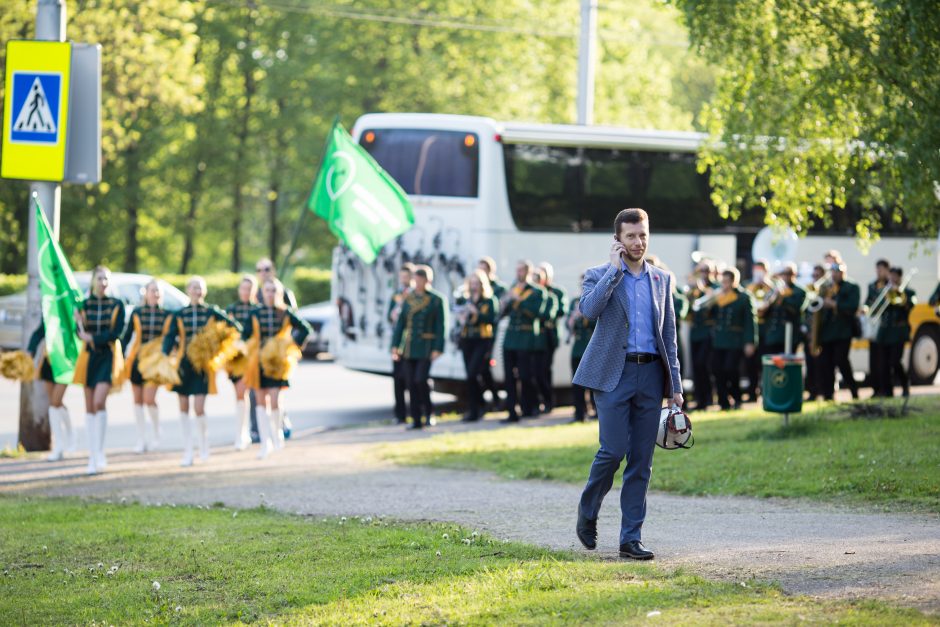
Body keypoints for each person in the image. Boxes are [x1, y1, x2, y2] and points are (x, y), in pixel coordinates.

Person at [574, 208, 683, 561]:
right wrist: (613, 271)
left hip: (651, 375)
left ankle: (630, 538)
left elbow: (669, 336)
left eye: (643, 235)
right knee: (613, 451)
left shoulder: (662, 280)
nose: (638, 242)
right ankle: (588, 510)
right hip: (612, 375)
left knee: (642, 460)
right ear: (617, 240)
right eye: (631, 236)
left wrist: (676, 385)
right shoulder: (598, 275)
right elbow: (589, 311)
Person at [162, 276, 241, 466]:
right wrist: (165, 353)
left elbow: (235, 327)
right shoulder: (179, 314)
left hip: (202, 367)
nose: (197, 291)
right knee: (183, 407)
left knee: (199, 407)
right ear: (188, 290)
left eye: (200, 288)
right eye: (193, 287)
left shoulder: (211, 312)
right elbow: (169, 337)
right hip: (183, 364)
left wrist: (216, 347)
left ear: (204, 291)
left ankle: (204, 446)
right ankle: (188, 450)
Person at [246, 277, 312, 458]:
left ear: (279, 293)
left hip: (277, 363)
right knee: (260, 401)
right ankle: (264, 441)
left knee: (275, 399)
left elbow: (305, 329)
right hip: (259, 362)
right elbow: (245, 334)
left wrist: (290, 344)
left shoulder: (285, 312)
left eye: (273, 290)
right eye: (267, 290)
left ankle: (277, 435)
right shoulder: (255, 313)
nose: (270, 294)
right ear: (262, 293)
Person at [74, 266, 126, 475]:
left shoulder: (117, 305)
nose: (103, 282)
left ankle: (100, 452)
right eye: (99, 278)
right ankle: (92, 455)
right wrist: (77, 322)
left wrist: (94, 338)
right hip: (88, 358)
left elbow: (116, 332)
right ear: (93, 281)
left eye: (106, 279)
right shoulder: (83, 305)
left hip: (107, 357)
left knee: (98, 402)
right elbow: (76, 331)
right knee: (88, 407)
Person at [391, 265, 447, 429]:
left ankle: (428, 413)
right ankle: (415, 419)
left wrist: (438, 347)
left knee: (421, 380)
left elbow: (441, 325)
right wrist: (395, 345)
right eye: (416, 279)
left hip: (426, 346)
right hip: (409, 346)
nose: (417, 282)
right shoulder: (408, 298)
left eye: (420, 279)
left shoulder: (436, 299)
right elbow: (401, 323)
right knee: (410, 382)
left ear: (427, 280)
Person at [249, 257, 297, 442]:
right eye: (260, 269)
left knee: (278, 391)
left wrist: (288, 345)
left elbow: (293, 319)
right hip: (259, 353)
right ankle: (257, 429)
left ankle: (281, 423)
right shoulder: (255, 295)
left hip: (279, 353)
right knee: (257, 392)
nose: (264, 272)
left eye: (267, 268)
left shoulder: (283, 292)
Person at [122, 279, 172, 453]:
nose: (155, 294)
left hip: (156, 362)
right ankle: (141, 438)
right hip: (138, 359)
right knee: (137, 401)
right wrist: (121, 355)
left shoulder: (167, 314)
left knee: (149, 399)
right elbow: (127, 336)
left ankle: (157, 432)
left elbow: (170, 339)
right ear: (146, 293)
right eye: (152, 290)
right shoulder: (137, 312)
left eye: (158, 291)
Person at [500, 260, 545, 422]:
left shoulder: (537, 291)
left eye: (521, 271)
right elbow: (503, 313)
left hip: (526, 338)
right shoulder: (512, 289)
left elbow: (535, 313)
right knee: (509, 377)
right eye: (517, 270)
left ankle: (530, 407)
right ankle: (512, 411)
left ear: (528, 272)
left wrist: (518, 299)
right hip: (510, 338)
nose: (518, 274)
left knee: (526, 376)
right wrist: (505, 303)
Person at [455, 269, 499, 421]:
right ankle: (477, 406)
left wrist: (477, 313)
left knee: (474, 373)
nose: (474, 286)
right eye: (472, 283)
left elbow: (492, 318)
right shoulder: (466, 299)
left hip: (482, 339)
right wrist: (461, 317)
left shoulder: (489, 300)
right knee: (469, 375)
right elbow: (460, 317)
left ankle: (478, 408)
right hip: (467, 339)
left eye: (477, 283)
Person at [711, 268, 757, 410]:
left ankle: (737, 398)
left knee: (731, 369)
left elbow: (750, 321)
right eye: (722, 281)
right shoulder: (718, 297)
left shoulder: (743, 297)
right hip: (719, 340)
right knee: (718, 370)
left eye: (726, 282)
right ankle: (723, 402)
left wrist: (750, 341)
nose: (723, 285)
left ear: (733, 282)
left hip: (735, 340)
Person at [27, 321, 73, 461]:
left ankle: (65, 440)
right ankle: (63, 441)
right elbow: (40, 332)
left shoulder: (69, 305)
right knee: (55, 403)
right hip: (49, 359)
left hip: (66, 361)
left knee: (55, 402)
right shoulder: (49, 306)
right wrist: (30, 350)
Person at [225, 275, 259, 449]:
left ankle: (265, 431)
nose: (246, 292)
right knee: (240, 393)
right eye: (243, 288)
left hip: (255, 357)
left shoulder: (258, 310)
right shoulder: (231, 309)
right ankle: (241, 433)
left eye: (250, 289)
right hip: (237, 358)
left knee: (261, 396)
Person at [818, 262, 860, 401]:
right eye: (833, 272)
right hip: (827, 331)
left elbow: (853, 306)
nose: (835, 274)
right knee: (826, 363)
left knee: (841, 361)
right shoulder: (826, 287)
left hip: (843, 331)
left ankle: (853, 390)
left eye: (838, 271)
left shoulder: (852, 287)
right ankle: (828, 395)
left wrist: (835, 304)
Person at [875, 267, 915, 397]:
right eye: (890, 275)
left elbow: (910, 305)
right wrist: (886, 295)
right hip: (884, 332)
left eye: (895, 276)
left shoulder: (908, 292)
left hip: (899, 332)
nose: (892, 278)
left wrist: (900, 295)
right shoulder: (884, 291)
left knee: (895, 361)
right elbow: (876, 307)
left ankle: (905, 384)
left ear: (900, 277)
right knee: (883, 364)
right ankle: (888, 391)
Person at [537, 262, 568, 414]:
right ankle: (539, 401)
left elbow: (562, 310)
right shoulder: (533, 291)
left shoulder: (557, 292)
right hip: (534, 336)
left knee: (544, 369)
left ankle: (548, 401)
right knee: (534, 371)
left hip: (549, 334)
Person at [687, 260, 717, 410]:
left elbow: (711, 304)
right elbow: (690, 309)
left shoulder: (715, 287)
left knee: (704, 365)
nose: (703, 274)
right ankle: (699, 399)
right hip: (695, 333)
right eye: (700, 271)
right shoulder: (693, 289)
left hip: (708, 332)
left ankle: (708, 398)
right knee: (696, 366)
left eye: (705, 270)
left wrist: (702, 289)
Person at [387, 263, 415, 424]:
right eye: (402, 276)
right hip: (398, 341)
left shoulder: (415, 295)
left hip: (410, 341)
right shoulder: (396, 294)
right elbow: (389, 316)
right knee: (397, 378)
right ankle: (400, 413)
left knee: (411, 378)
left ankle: (415, 411)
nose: (404, 280)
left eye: (407, 276)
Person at [477, 256, 506, 408]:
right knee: (481, 367)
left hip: (493, 332)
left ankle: (495, 397)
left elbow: (500, 310)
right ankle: (492, 398)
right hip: (480, 334)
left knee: (486, 365)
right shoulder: (475, 286)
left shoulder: (499, 288)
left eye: (483, 269)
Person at [760, 263, 806, 354]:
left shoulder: (799, 291)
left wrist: (782, 298)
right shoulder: (774, 290)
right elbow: (763, 312)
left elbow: (796, 309)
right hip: (772, 334)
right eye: (783, 273)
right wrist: (772, 298)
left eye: (788, 273)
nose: (785, 276)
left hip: (790, 335)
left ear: (794, 274)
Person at [567, 278, 596, 422]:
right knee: (577, 382)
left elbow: (597, 322)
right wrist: (572, 320)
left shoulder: (597, 300)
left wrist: (584, 314)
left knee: (594, 382)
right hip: (578, 347)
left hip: (592, 345)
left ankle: (596, 411)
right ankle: (579, 413)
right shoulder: (575, 302)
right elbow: (568, 324)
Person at [745, 260, 773, 401]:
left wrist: (768, 285)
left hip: (766, 331)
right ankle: (752, 392)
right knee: (751, 363)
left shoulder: (773, 285)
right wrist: (754, 285)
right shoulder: (748, 285)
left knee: (765, 362)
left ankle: (766, 391)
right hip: (752, 329)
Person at [865, 259, 891, 397]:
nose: (878, 272)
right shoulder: (872, 286)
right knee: (873, 360)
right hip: (873, 325)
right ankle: (875, 389)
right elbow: (868, 302)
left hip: (885, 327)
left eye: (881, 269)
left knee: (883, 361)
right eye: (877, 269)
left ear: (887, 270)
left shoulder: (891, 286)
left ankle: (885, 388)